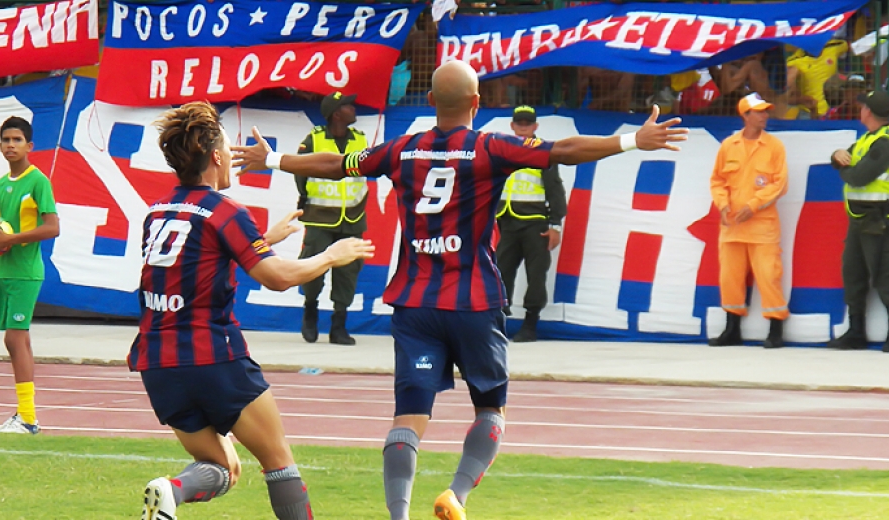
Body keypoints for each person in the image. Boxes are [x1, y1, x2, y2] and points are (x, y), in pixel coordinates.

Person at [232, 60, 687, 520]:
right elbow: (563, 150)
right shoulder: (491, 148)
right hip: (472, 300)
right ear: (477, 102)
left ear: (430, 102)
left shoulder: (402, 150)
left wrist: (271, 159)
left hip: (414, 301)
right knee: (490, 409)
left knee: (408, 416)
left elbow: (336, 165)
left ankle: (398, 515)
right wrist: (631, 140)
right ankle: (457, 495)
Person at [131, 102, 374, 520]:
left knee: (224, 468)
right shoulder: (226, 211)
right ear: (217, 157)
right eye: (227, 145)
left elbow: (196, 259)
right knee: (279, 462)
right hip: (212, 357)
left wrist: (263, 237)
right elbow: (276, 277)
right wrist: (331, 255)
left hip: (157, 364)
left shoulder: (157, 211)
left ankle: (171, 492)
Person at [0, 116, 60, 434]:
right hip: (4, 270)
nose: (11, 145)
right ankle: (25, 417)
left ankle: (27, 417)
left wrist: (8, 240)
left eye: (17, 140)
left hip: (26, 271)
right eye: (6, 140)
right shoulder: (1, 184)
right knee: (18, 340)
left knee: (14, 338)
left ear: (29, 145)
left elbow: (53, 226)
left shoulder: (38, 181)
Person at [708, 93, 790, 349]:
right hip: (732, 226)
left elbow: (780, 184)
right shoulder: (728, 145)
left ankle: (775, 329)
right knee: (729, 277)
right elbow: (717, 181)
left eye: (766, 111)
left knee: (768, 275)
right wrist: (722, 205)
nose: (765, 115)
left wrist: (753, 205)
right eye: (759, 111)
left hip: (762, 225)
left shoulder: (774, 146)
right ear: (745, 115)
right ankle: (732, 328)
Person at [294, 91, 370, 345]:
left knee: (348, 272)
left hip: (352, 217)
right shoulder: (313, 141)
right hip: (319, 218)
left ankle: (339, 326)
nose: (353, 108)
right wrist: (305, 196)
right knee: (313, 268)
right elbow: (300, 172)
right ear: (337, 114)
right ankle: (310, 311)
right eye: (348, 106)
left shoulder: (361, 140)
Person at [495, 105, 568, 342]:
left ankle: (530, 325)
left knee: (536, 275)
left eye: (528, 124)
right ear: (512, 125)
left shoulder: (542, 152)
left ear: (535, 126)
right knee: (501, 272)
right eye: (519, 124)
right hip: (507, 220)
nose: (523, 128)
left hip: (536, 223)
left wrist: (555, 224)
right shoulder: (502, 149)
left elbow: (555, 189)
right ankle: (499, 323)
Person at [827, 90, 889, 352]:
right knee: (853, 274)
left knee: (884, 278)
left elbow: (859, 176)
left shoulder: (885, 142)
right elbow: (844, 159)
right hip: (860, 218)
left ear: (869, 112)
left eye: (863, 107)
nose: (860, 110)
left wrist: (842, 166)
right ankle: (855, 331)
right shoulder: (867, 139)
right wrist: (837, 156)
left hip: (879, 220)